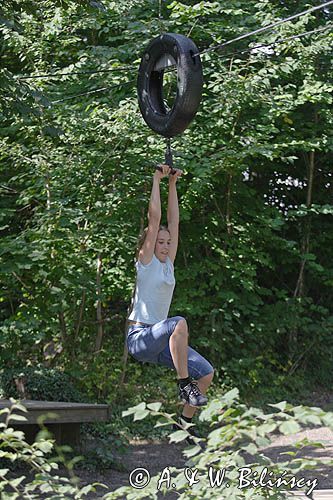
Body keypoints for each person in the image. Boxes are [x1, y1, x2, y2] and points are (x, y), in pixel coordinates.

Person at [127, 164, 214, 443]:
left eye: (167, 243)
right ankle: (183, 384)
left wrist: (173, 183)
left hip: (161, 343)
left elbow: (173, 223)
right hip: (140, 337)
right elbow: (157, 220)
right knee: (179, 323)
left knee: (206, 373)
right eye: (160, 242)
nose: (164, 245)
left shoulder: (168, 266)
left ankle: (184, 425)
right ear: (150, 245)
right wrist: (157, 179)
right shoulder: (147, 262)